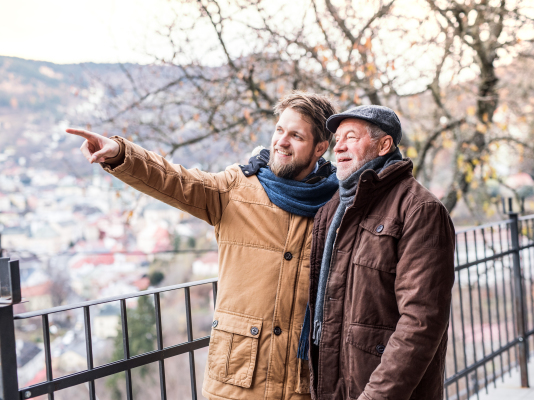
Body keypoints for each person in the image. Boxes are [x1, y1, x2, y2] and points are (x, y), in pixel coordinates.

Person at [67, 92, 339, 400]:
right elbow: (174, 179)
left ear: (320, 147)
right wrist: (120, 153)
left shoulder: (337, 205)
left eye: (296, 136)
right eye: (279, 130)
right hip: (238, 380)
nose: (282, 141)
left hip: (303, 385)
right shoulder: (236, 187)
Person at [306, 105, 455, 400]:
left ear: (384, 145)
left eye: (351, 137)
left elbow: (421, 321)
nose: (340, 146)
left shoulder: (419, 209)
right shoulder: (332, 209)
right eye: (337, 140)